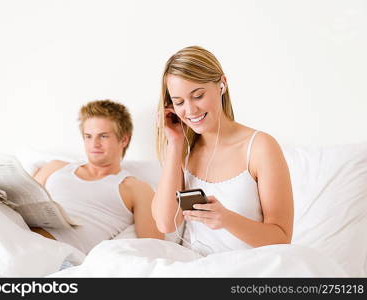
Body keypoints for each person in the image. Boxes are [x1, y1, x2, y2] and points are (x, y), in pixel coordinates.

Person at [152, 45, 294, 256]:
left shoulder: (260, 147)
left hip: (248, 271)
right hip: (196, 270)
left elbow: (281, 238)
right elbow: (165, 224)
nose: (190, 110)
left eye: (198, 96)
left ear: (222, 84)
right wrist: (175, 143)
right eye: (179, 102)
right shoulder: (183, 150)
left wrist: (226, 219)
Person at [30, 99, 164, 254]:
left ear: (124, 139)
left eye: (103, 136)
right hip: (19, 235)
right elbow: (19, 205)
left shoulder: (136, 189)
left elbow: (154, 246)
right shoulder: (55, 168)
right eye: (88, 136)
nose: (94, 144)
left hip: (58, 254)